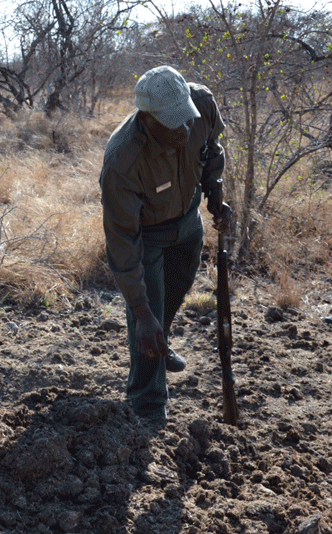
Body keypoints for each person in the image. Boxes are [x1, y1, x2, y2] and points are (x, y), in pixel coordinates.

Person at [99, 65, 231, 423]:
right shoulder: (122, 162)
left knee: (168, 301)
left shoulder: (201, 105)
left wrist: (214, 191)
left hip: (188, 223)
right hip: (149, 237)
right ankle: (148, 403)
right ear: (147, 119)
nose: (186, 128)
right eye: (174, 123)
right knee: (148, 312)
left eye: (186, 118)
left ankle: (158, 338)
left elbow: (211, 149)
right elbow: (123, 245)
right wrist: (141, 312)